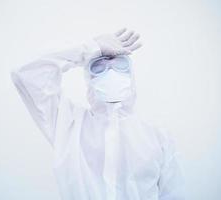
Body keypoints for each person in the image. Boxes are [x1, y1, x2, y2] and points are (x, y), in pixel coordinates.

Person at [11, 28, 185, 200]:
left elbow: (174, 194)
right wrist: (88, 49)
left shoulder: (157, 136)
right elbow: (27, 73)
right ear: (88, 78)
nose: (110, 71)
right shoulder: (69, 125)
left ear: (131, 75)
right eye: (99, 66)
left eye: (120, 64)